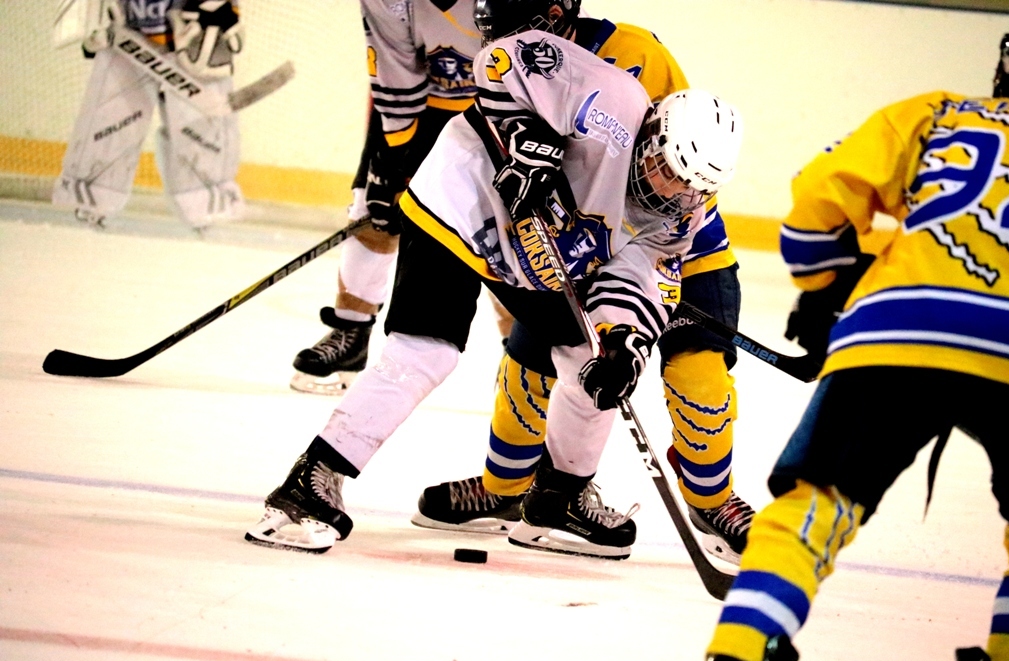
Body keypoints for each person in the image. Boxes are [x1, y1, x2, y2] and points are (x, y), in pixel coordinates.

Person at [245, 6, 743, 561]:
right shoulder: (613, 100)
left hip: (531, 258)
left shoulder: (679, 213)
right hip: (459, 207)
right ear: (651, 136)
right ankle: (309, 486)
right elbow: (499, 60)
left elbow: (635, 276)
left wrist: (624, 339)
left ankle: (558, 499)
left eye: (688, 186)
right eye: (666, 169)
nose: (670, 189)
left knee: (590, 359)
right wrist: (528, 138)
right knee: (426, 353)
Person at [702, 19, 1009, 661]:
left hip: (900, 326)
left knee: (816, 501)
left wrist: (825, 295)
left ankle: (741, 655)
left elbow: (816, 206)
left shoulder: (940, 112)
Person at [409, 0, 756, 564]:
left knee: (700, 377)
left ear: (556, 14)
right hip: (583, 239)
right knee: (533, 358)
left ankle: (714, 504)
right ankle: (505, 490)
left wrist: (629, 324)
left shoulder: (635, 55)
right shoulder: (518, 58)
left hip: (677, 244)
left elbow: (682, 165)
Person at [289, 0, 486, 395]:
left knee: (509, 230)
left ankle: (525, 359)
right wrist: (396, 158)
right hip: (422, 105)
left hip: (499, 112)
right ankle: (350, 333)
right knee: (373, 208)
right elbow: (395, 70)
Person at [53, 0, 244, 231]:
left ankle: (209, 208)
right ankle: (89, 202)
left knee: (199, 128)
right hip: (127, 28)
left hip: (194, 29)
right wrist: (89, 16)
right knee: (112, 117)